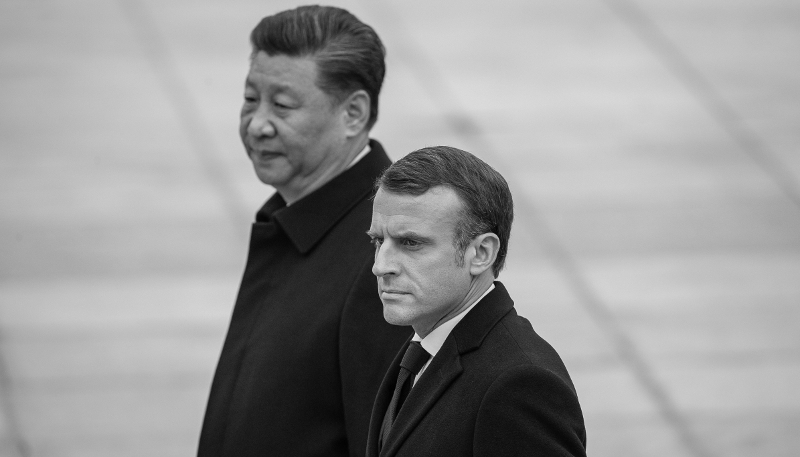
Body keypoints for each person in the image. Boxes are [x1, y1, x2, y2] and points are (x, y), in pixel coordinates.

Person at [198, 6, 410, 456]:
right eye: (250, 98)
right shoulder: (292, 216)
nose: (257, 124)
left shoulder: (385, 257)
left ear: (353, 113)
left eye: (283, 105)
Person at [365, 146, 587, 456]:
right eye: (379, 241)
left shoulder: (519, 385)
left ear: (481, 253)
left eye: (410, 243)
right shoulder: (424, 347)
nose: (381, 265)